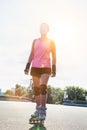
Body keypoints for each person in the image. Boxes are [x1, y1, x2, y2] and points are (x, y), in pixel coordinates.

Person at [24, 23, 56, 120]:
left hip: (46, 67)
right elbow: (31, 54)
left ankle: (43, 109)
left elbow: (54, 56)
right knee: (36, 89)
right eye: (41, 27)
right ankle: (38, 109)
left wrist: (54, 68)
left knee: (43, 87)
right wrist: (27, 66)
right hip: (35, 67)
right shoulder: (35, 41)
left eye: (45, 28)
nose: (43, 29)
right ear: (39, 29)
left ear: (48, 30)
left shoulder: (51, 42)